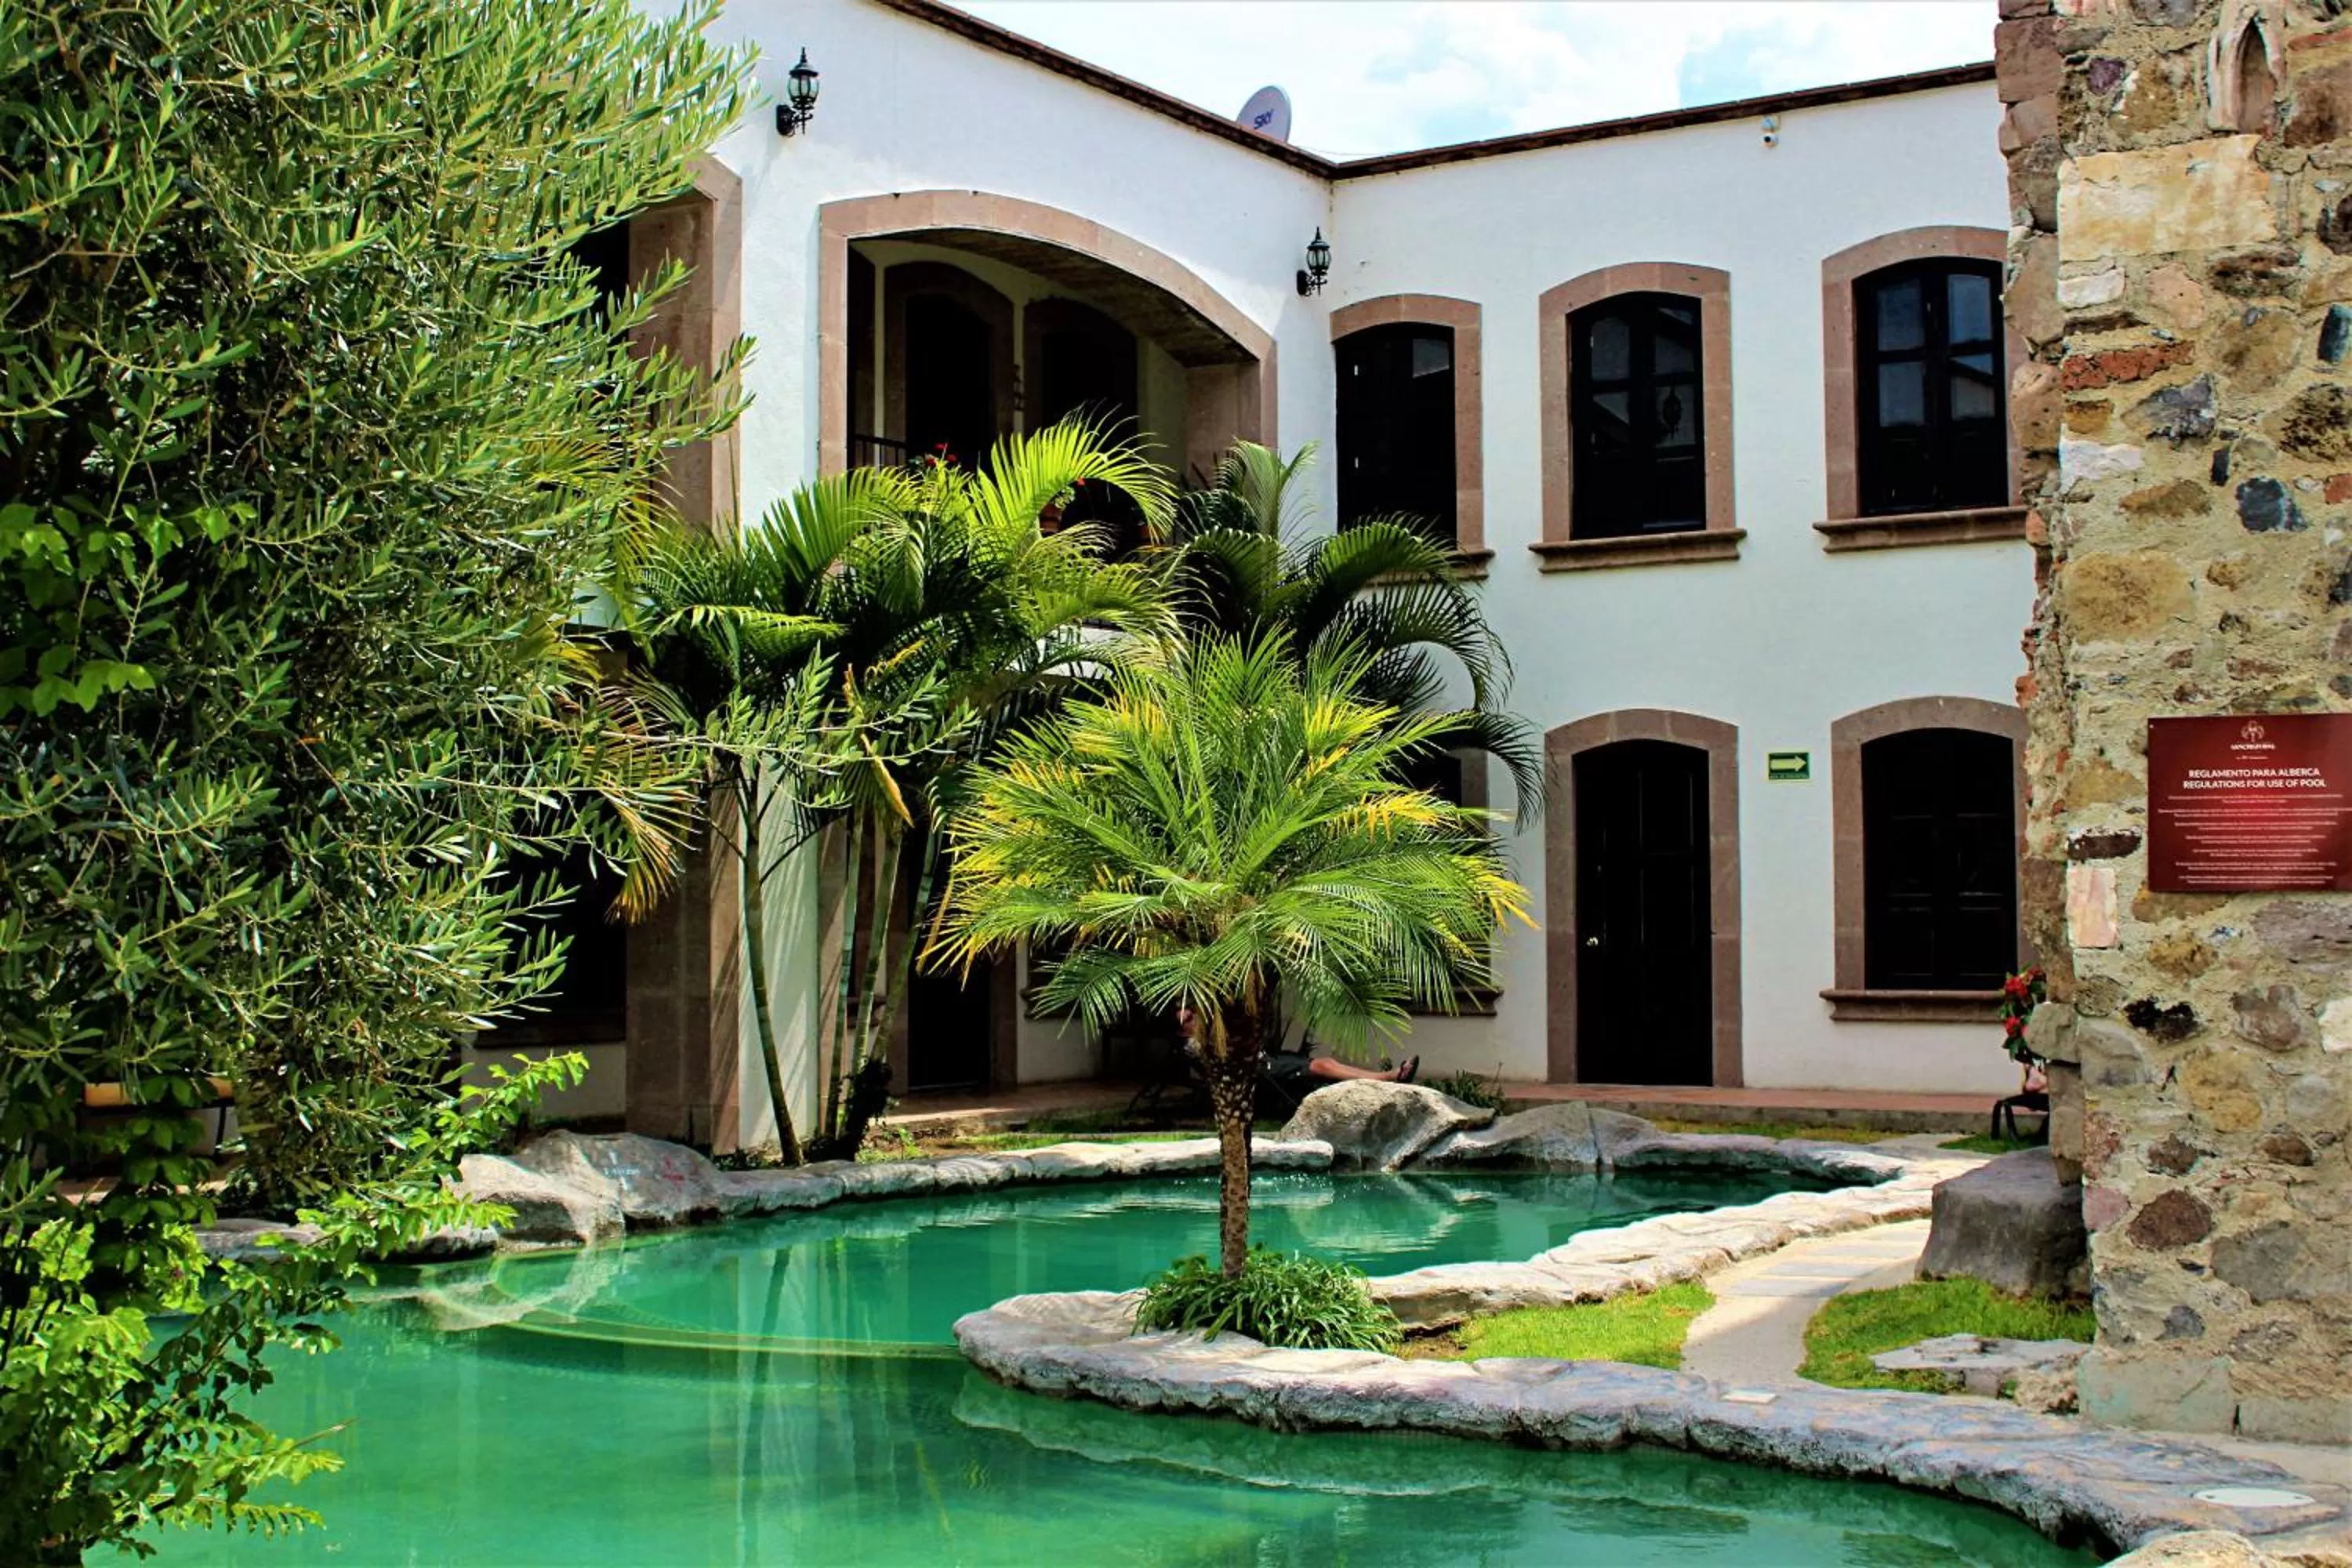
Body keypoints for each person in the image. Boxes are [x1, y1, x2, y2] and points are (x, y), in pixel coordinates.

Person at [1176, 1005, 1417, 1087]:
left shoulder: (1210, 1035)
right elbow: (1221, 1070)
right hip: (1261, 1074)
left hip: (1268, 1062)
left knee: (1327, 1063)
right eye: (1187, 1020)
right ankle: (1390, 1077)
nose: (1194, 1020)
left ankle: (1387, 1077)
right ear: (1181, 1030)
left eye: (1193, 1014)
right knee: (1323, 1066)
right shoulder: (1193, 1048)